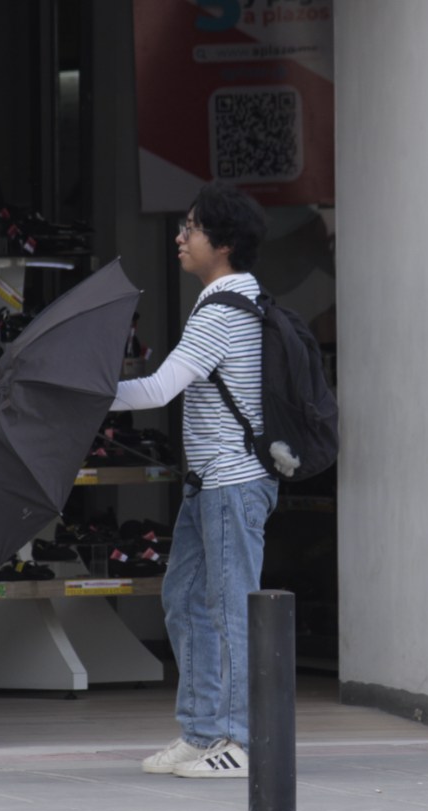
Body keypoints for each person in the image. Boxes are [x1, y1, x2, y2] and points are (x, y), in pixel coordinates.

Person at [110, 181, 277, 779]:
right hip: (208, 484)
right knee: (183, 599)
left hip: (232, 482)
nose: (179, 237)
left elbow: (158, 389)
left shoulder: (223, 308)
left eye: (191, 229)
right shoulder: (231, 301)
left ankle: (238, 739)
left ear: (223, 243)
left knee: (230, 610)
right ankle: (202, 730)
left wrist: (83, 397)